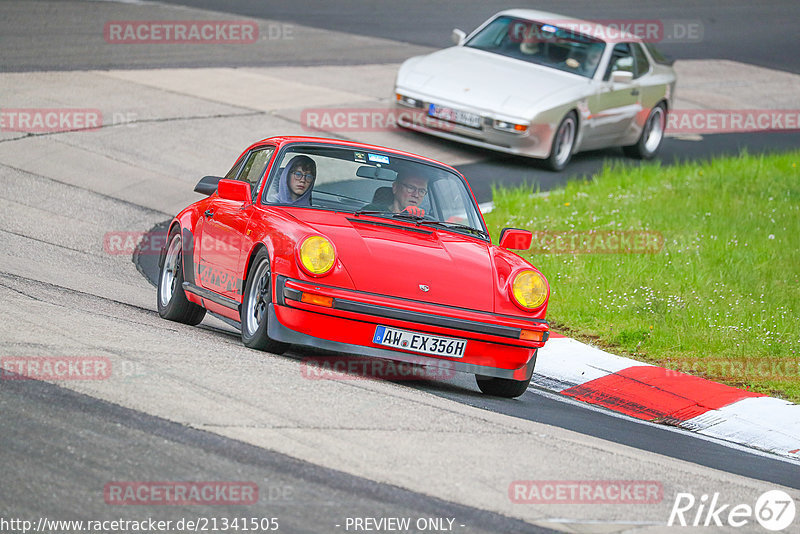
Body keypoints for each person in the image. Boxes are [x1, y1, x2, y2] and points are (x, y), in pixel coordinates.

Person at [363, 174, 429, 216]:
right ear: (395, 187)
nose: (416, 195)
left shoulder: (427, 223)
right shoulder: (371, 212)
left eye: (422, 191)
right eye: (411, 188)